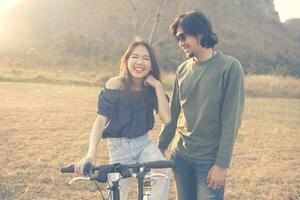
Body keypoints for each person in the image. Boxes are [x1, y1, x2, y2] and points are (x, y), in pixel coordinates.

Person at [158, 10, 245, 200]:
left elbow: (231, 121)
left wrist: (221, 165)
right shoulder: (182, 69)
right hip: (179, 157)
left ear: (200, 33)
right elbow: (173, 114)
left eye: (183, 36)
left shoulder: (230, 67)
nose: (180, 43)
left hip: (208, 162)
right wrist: (160, 147)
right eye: (177, 39)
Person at [75, 40, 171, 200]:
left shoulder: (151, 89)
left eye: (146, 58)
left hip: (143, 144)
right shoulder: (114, 84)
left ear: (151, 65)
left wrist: (158, 86)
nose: (140, 62)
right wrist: (91, 154)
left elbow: (167, 119)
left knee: (159, 171)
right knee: (117, 193)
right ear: (126, 61)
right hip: (118, 147)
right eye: (135, 57)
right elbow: (100, 122)